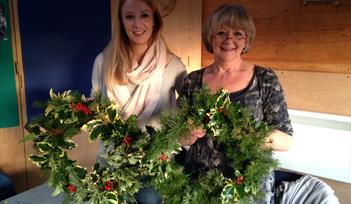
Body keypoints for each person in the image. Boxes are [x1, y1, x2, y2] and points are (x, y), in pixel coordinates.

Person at [178, 4, 340, 204]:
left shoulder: (265, 79)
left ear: (246, 39)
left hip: (250, 188)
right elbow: (176, 136)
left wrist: (253, 135)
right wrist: (189, 133)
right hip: (198, 185)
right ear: (210, 37)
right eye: (221, 32)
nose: (229, 40)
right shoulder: (192, 81)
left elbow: (286, 140)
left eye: (238, 33)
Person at [91, 0, 186, 203]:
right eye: (129, 17)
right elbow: (96, 106)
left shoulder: (174, 65)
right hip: (112, 160)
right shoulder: (103, 62)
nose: (137, 24)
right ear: (121, 21)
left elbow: (189, 109)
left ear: (155, 21)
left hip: (153, 164)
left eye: (144, 15)